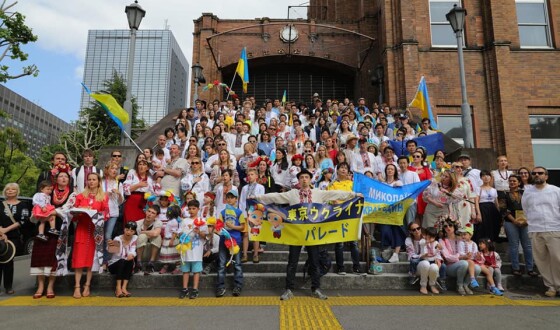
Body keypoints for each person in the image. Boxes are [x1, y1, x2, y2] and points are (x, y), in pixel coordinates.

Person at [255, 169, 360, 300]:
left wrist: (353, 194)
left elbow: (335, 194)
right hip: (295, 233)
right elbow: (275, 196)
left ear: (310, 180)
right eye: (302, 177)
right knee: (292, 261)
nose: (304, 179)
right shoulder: (292, 194)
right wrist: (257, 198)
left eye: (306, 177)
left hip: (312, 233)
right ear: (298, 180)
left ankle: (316, 288)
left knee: (315, 262)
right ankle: (289, 289)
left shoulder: (318, 193)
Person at [521, 166, 560, 297]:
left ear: (546, 176)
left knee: (557, 258)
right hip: (535, 229)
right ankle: (550, 287)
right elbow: (525, 209)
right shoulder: (528, 192)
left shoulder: (556, 191)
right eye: (535, 173)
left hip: (554, 228)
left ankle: (559, 285)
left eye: (540, 173)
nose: (537, 175)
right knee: (541, 260)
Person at [72, 172, 109, 299]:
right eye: (89, 179)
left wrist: (96, 214)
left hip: (95, 232)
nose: (91, 181)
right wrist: (78, 213)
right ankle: (76, 286)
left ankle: (87, 285)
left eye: (94, 179)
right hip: (82, 230)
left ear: (99, 181)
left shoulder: (103, 197)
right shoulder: (80, 196)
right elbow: (73, 216)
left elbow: (106, 214)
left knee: (90, 261)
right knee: (79, 259)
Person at [329, 162, 361, 273]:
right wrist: (335, 201)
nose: (343, 169)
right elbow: (329, 198)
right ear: (337, 170)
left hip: (352, 214)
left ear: (348, 171)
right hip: (339, 215)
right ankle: (340, 267)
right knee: (339, 243)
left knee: (354, 243)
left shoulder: (353, 184)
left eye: (346, 168)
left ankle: (356, 267)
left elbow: (358, 195)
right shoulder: (332, 184)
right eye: (341, 167)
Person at [1, 183, 31, 296]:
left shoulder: (22, 205)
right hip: (0, 235)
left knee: (8, 261)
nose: (10, 191)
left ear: (17, 191)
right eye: (8, 189)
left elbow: (23, 221)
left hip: (13, 237)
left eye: (13, 189)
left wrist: (6, 230)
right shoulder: (1, 204)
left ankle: (8, 286)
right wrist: (1, 232)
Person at [504, 174, 536, 278]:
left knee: (527, 245)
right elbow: (503, 209)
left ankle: (530, 269)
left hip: (525, 222)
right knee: (514, 245)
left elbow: (531, 206)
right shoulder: (504, 194)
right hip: (510, 222)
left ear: (519, 182)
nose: (512, 182)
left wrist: (526, 220)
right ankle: (515, 268)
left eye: (514, 181)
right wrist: (514, 221)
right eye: (510, 181)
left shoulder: (526, 193)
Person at [439, 217, 481, 296]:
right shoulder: (442, 240)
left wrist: (475, 256)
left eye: (450, 225)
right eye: (445, 226)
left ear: (454, 226)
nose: (448, 227)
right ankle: (459, 285)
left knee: (477, 268)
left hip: (465, 262)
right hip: (450, 266)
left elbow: (470, 250)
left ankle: (466, 285)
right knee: (463, 263)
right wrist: (461, 257)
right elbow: (447, 257)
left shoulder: (461, 238)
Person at [216, 190, 245, 297]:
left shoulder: (239, 212)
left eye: (232, 197)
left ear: (236, 199)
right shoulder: (222, 213)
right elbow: (218, 225)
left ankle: (238, 286)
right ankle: (220, 287)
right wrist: (221, 227)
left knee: (237, 264)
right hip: (224, 240)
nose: (230, 199)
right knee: (221, 264)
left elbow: (243, 227)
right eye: (228, 197)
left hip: (236, 240)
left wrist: (232, 227)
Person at [178, 200, 208, 299]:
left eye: (193, 208)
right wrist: (182, 236)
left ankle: (195, 289)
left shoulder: (202, 221)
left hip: (196, 250)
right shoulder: (184, 221)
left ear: (198, 209)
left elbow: (205, 236)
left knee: (196, 271)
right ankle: (184, 288)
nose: (191, 211)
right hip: (186, 250)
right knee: (185, 270)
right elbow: (179, 233)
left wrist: (198, 232)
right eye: (189, 208)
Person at [238, 168, 265, 263]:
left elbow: (261, 200)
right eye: (248, 175)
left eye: (252, 174)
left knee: (255, 234)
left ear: (256, 176)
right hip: (246, 212)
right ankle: (244, 254)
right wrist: (242, 213)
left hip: (256, 213)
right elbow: (241, 201)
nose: (250, 176)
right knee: (245, 234)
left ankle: (255, 254)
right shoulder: (245, 188)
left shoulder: (261, 187)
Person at [101, 161, 124, 268]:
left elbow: (121, 202)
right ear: (107, 170)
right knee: (99, 236)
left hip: (113, 212)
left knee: (108, 235)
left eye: (116, 169)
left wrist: (119, 194)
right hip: (101, 211)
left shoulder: (119, 183)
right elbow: (96, 195)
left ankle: (107, 260)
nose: (114, 170)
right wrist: (105, 194)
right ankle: (99, 259)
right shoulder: (101, 182)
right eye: (112, 168)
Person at [107, 221, 137, 298]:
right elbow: (112, 252)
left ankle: (124, 288)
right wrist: (110, 245)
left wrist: (132, 254)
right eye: (127, 230)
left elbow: (133, 251)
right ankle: (118, 288)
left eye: (131, 231)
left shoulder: (135, 238)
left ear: (134, 232)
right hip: (113, 265)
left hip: (125, 264)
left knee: (130, 261)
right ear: (124, 229)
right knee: (121, 261)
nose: (129, 232)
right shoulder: (118, 238)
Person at [123, 158, 157, 225]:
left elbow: (153, 193)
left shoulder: (149, 179)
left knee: (140, 223)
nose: (141, 166)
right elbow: (125, 190)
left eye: (144, 165)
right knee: (130, 222)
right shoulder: (132, 176)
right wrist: (138, 185)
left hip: (143, 203)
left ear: (147, 168)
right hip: (132, 201)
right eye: (140, 164)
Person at [135, 205, 163, 274]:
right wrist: (147, 234)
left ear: (156, 216)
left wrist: (143, 232)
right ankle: (138, 263)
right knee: (142, 236)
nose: (149, 214)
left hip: (153, 251)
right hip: (140, 251)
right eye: (149, 211)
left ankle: (151, 263)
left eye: (153, 213)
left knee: (157, 237)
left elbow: (156, 233)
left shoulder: (158, 222)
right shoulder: (138, 223)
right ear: (146, 212)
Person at [475, 170, 500, 242]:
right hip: (483, 208)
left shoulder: (494, 190)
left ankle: (491, 246)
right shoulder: (478, 188)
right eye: (483, 176)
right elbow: (476, 201)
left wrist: (499, 213)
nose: (486, 177)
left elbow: (496, 203)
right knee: (483, 228)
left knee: (492, 227)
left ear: (491, 177)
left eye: (488, 175)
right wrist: (478, 213)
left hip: (492, 210)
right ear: (481, 178)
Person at [457, 224, 481, 291]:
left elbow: (476, 254)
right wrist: (466, 255)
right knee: (470, 261)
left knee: (478, 268)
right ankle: (472, 279)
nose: (463, 236)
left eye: (465, 234)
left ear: (470, 235)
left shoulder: (474, 244)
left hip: (471, 261)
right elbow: (460, 253)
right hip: (463, 260)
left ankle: (466, 284)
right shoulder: (461, 243)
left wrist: (477, 256)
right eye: (461, 234)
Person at [158, 205, 181, 275]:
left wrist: (171, 240)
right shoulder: (170, 221)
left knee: (173, 254)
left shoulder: (174, 222)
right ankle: (166, 266)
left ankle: (178, 267)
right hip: (166, 239)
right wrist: (163, 239)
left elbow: (174, 232)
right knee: (166, 254)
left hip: (171, 240)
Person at [419, 227, 442, 295]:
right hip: (423, 262)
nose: (430, 238)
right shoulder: (423, 241)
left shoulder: (436, 243)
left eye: (432, 236)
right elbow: (422, 243)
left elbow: (438, 252)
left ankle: (432, 285)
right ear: (425, 235)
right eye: (428, 235)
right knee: (426, 264)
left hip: (432, 262)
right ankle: (423, 285)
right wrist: (427, 240)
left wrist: (438, 258)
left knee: (434, 267)